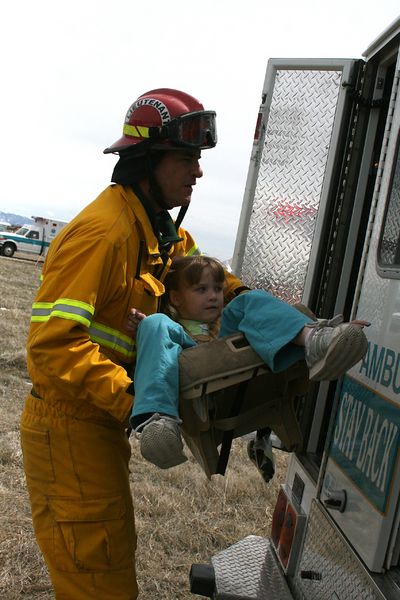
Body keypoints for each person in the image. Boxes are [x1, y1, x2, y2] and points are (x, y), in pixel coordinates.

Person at [19, 89, 249, 600]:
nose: (199, 173)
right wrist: (141, 405)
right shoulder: (103, 233)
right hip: (70, 425)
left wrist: (259, 309)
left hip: (95, 425)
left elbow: (199, 273)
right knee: (99, 580)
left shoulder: (156, 229)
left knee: (110, 559)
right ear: (148, 160)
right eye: (188, 159)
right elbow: (53, 348)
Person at [127, 254, 369, 471]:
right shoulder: (172, 324)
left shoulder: (227, 317)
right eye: (201, 290)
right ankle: (157, 420)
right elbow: (158, 348)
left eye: (218, 289)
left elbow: (270, 321)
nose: (214, 296)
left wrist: (336, 328)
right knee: (154, 323)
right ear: (176, 298)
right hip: (193, 362)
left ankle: (315, 340)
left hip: (226, 356)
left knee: (248, 300)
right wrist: (146, 327)